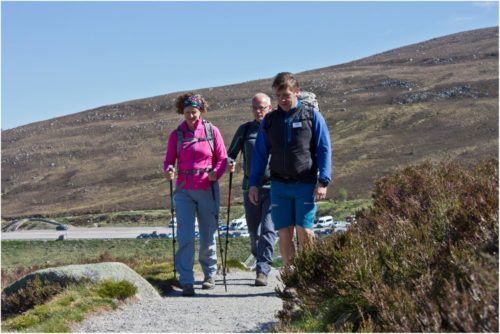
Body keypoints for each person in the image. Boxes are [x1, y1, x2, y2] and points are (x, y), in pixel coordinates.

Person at [249, 72, 332, 267]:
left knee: (305, 231)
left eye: (286, 95)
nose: (283, 100)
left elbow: (324, 148)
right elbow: (260, 154)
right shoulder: (270, 121)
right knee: (285, 231)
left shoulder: (311, 116)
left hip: (305, 183)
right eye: (278, 96)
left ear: (297, 92)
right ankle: (291, 277)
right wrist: (254, 183)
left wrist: (324, 181)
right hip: (279, 185)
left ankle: (311, 274)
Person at [164, 92, 228, 296]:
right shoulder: (177, 135)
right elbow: (168, 160)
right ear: (181, 112)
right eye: (187, 112)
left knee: (208, 234)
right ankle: (187, 280)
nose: (191, 116)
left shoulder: (211, 131)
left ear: (201, 111)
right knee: (185, 236)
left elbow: (222, 159)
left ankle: (209, 274)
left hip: (207, 188)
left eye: (194, 112)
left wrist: (215, 174)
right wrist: (169, 170)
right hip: (183, 190)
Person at [227, 93, 276, 287]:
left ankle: (262, 270)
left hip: (273, 186)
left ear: (270, 108)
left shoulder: (276, 128)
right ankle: (257, 252)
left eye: (262, 107)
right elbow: (230, 154)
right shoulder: (245, 130)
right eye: (255, 108)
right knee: (254, 231)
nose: (258, 111)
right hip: (250, 188)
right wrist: (229, 163)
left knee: (268, 229)